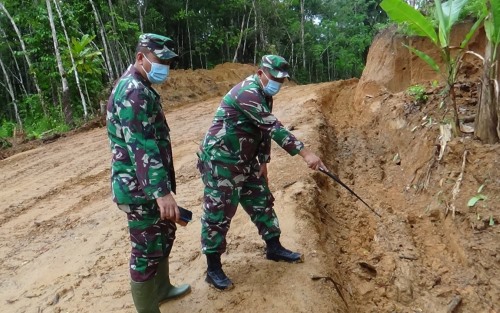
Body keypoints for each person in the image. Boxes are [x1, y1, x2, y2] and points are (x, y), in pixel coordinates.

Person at [196, 54, 328, 290]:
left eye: (282, 80)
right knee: (218, 213)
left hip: (246, 159)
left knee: (262, 201)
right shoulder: (247, 93)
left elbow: (262, 131)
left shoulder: (265, 94)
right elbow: (273, 127)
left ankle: (274, 247)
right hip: (222, 161)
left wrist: (263, 161)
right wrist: (307, 154)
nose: (279, 83)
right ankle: (213, 268)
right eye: (275, 78)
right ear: (260, 73)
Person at [106, 33, 190, 313]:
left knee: (163, 234)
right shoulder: (134, 91)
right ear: (141, 57)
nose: (164, 67)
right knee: (145, 252)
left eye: (168, 61)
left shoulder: (141, 84)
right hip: (139, 189)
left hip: (149, 185)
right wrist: (162, 192)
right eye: (160, 60)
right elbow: (141, 146)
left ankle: (162, 289)